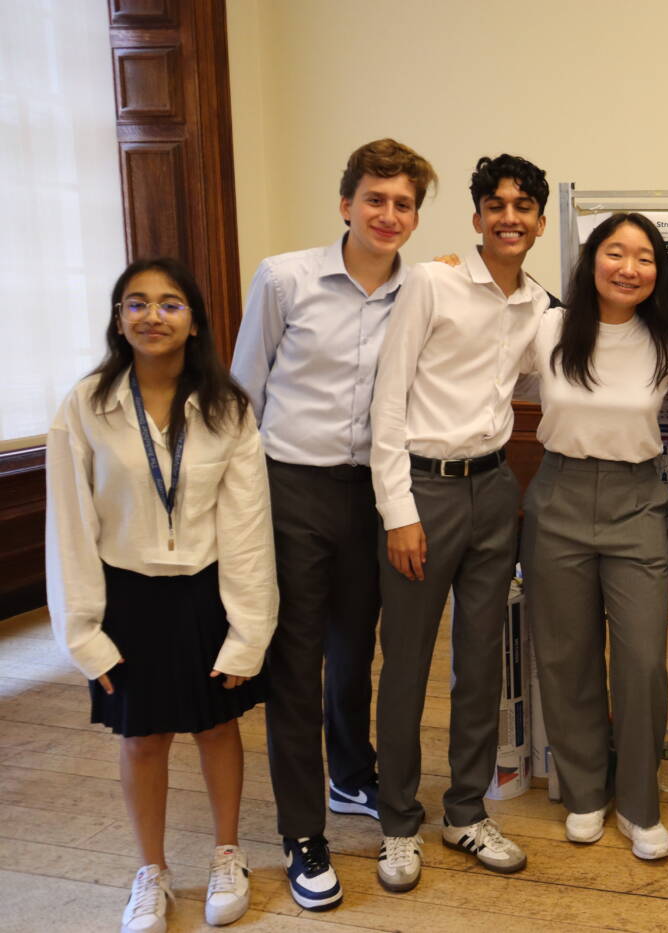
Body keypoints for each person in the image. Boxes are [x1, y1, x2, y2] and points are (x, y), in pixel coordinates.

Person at [230, 138, 437, 911]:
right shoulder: (285, 278)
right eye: (375, 199)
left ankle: (353, 774)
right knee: (296, 659)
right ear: (345, 202)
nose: (388, 215)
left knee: (357, 650)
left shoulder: (422, 291)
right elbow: (242, 393)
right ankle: (301, 831)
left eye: (404, 203)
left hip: (375, 491)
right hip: (289, 488)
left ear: (416, 217)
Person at [46, 258, 276, 933]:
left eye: (170, 303)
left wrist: (248, 630)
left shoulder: (227, 407)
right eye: (136, 303)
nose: (153, 315)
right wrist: (84, 635)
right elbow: (70, 529)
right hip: (126, 597)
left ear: (195, 320)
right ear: (119, 319)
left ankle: (227, 854)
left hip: (206, 592)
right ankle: (151, 871)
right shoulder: (85, 406)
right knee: (142, 738)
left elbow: (247, 525)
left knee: (215, 726)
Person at [369, 153, 551, 892]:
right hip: (424, 490)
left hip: (493, 487)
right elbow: (387, 400)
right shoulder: (431, 281)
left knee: (481, 660)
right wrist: (398, 511)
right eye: (496, 204)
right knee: (407, 662)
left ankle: (466, 810)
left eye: (524, 206)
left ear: (539, 221)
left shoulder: (538, 303)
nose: (511, 216)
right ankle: (397, 824)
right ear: (477, 216)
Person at [519, 212, 668, 860]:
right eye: (614, 252)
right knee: (566, 656)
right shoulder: (552, 327)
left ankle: (639, 803)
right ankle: (587, 790)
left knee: (643, 659)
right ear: (592, 262)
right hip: (559, 494)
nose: (628, 266)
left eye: (643, 256)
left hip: (636, 502)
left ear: (657, 271)